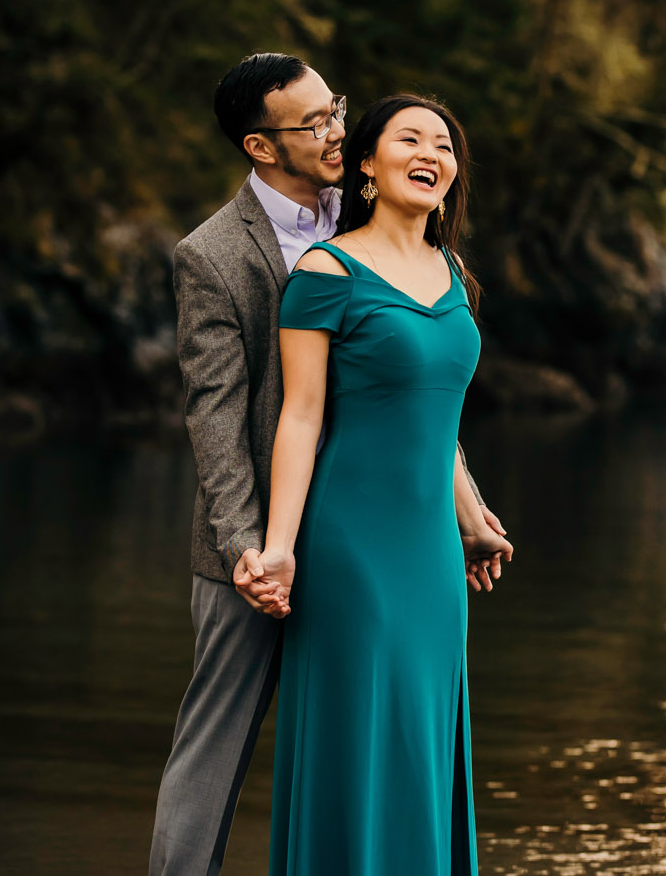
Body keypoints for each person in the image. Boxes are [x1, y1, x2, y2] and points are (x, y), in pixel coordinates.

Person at [149, 58, 510, 876]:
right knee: (212, 755)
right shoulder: (212, 255)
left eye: (337, 111)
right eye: (312, 123)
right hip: (258, 544)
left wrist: (468, 507)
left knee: (387, 741)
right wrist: (252, 547)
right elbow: (216, 415)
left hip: (380, 532)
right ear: (260, 144)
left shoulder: (382, 215)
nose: (336, 131)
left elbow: (407, 392)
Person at [254, 93, 505, 876]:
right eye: (411, 138)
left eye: (445, 142)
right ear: (366, 161)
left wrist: (469, 512)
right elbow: (299, 416)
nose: (432, 152)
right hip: (350, 548)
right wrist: (280, 548)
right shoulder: (326, 272)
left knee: (421, 739)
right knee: (361, 735)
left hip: (432, 555)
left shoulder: (453, 273)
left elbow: (437, 416)